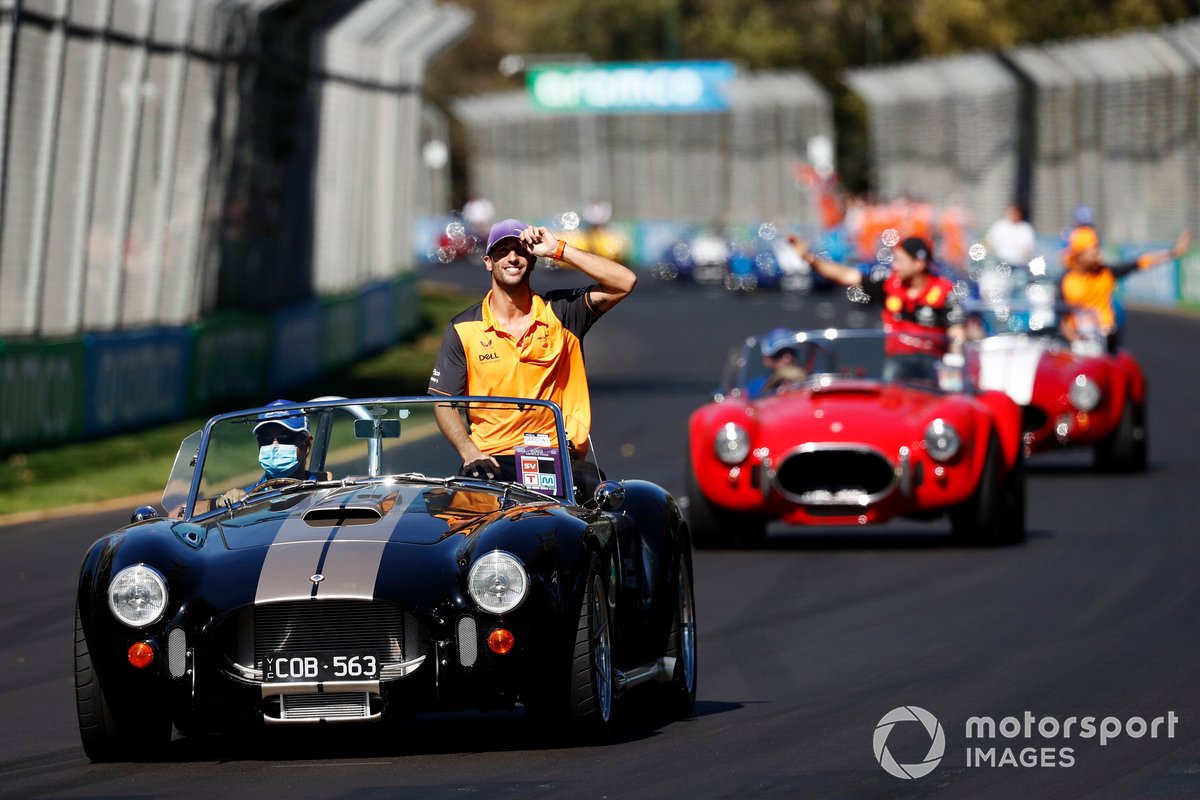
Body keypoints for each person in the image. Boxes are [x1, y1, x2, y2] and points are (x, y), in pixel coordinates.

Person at [428, 218, 637, 483]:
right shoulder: (463, 328)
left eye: (521, 251)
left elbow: (624, 282)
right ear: (488, 262)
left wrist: (558, 250)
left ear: (533, 259)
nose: (512, 258)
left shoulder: (562, 311)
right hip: (491, 457)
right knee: (466, 517)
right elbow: (443, 401)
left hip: (555, 454)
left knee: (598, 508)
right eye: (503, 251)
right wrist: (470, 451)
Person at [788, 233, 965, 370]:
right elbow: (846, 275)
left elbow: (956, 332)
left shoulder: (944, 291)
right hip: (898, 362)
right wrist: (809, 259)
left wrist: (956, 363)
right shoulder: (889, 283)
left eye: (901, 261)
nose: (895, 266)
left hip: (933, 362)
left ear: (919, 264)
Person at [1059, 226, 1190, 351]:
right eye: (1093, 250)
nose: (1098, 253)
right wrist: (1077, 342)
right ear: (1079, 255)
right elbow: (1062, 321)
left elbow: (1140, 262)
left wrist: (1173, 253)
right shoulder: (1066, 281)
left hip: (1105, 341)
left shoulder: (1106, 273)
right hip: (1076, 344)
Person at [746, 331, 807, 397]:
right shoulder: (754, 387)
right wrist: (774, 382)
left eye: (792, 352)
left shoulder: (813, 379)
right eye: (780, 353)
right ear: (767, 360)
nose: (788, 358)